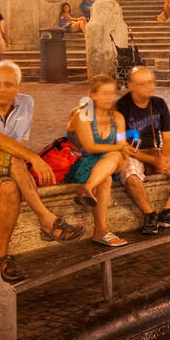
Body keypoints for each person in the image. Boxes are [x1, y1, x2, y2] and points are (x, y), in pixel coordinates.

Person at [0, 60, 82, 282]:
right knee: (14, 160)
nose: (2, 89)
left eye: (8, 84)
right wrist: (34, 159)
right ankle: (47, 220)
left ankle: (1, 257)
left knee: (9, 189)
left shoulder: (27, 104)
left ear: (19, 86)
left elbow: (19, 145)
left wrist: (23, 172)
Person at [115, 67, 170, 233]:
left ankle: (168, 211)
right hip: (133, 153)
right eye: (143, 83)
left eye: (151, 82)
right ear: (131, 85)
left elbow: (168, 138)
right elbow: (123, 146)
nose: (150, 86)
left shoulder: (159, 103)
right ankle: (150, 215)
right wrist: (154, 161)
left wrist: (165, 158)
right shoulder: (121, 107)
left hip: (156, 150)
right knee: (130, 175)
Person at [64, 75, 128, 246]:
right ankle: (100, 230)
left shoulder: (118, 118)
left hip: (105, 165)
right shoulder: (82, 115)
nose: (110, 98)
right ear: (92, 95)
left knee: (113, 162)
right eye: (105, 93)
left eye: (113, 93)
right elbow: (90, 147)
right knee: (107, 174)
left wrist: (125, 158)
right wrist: (120, 151)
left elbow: (123, 145)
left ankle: (87, 190)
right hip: (78, 163)